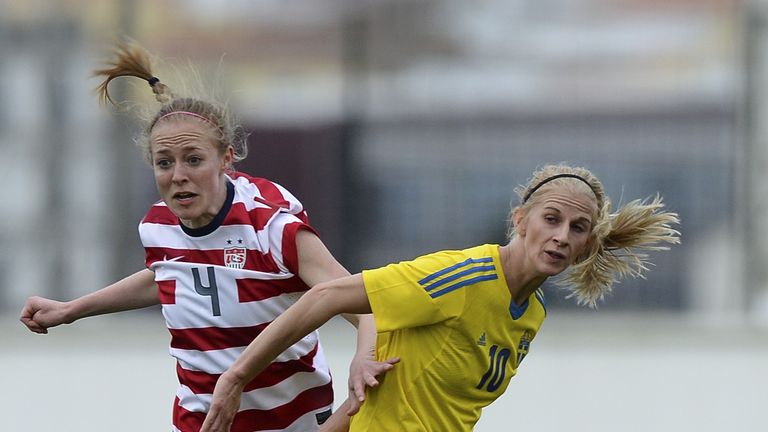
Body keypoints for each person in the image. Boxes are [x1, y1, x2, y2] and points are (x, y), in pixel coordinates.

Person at [19, 43, 397, 432]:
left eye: (193, 160)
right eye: (164, 163)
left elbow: (359, 301)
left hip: (292, 420)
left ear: (226, 159)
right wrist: (71, 310)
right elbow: (170, 276)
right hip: (201, 420)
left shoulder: (271, 228)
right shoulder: (158, 224)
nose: (177, 175)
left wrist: (363, 357)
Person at [199, 164, 681, 432]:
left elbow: (396, 388)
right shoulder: (461, 276)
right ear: (520, 220)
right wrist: (237, 377)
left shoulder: (530, 313)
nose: (560, 236)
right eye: (550, 219)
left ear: (586, 246)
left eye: (577, 228)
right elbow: (327, 294)